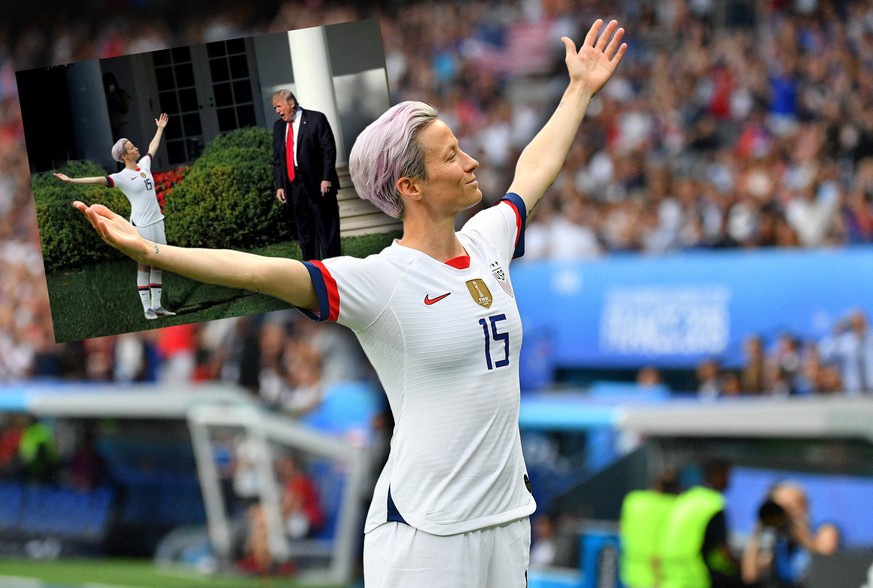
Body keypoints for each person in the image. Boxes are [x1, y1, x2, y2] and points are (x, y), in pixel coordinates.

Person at [71, 19, 626, 587]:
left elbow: (533, 170)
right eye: (451, 156)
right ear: (410, 187)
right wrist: (155, 254)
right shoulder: (381, 280)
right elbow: (261, 271)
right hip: (425, 532)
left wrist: (580, 88)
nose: (472, 163)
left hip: (508, 521)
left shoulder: (489, 240)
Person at [54, 113, 176, 321]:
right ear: (124, 155)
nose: (136, 147)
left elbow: (152, 148)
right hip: (142, 226)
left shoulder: (144, 165)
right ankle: (147, 309)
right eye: (131, 146)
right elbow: (95, 180)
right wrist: (72, 181)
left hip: (158, 221)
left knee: (159, 264)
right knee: (144, 264)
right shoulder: (120, 178)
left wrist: (160, 129)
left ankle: (157, 306)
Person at [271, 90, 341, 261]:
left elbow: (328, 151)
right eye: (275, 108)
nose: (277, 111)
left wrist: (326, 178)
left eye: (279, 106)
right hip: (294, 185)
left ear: (291, 103)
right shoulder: (279, 127)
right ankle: (311, 269)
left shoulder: (316, 119)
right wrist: (280, 185)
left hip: (318, 184)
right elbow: (278, 159)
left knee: (326, 230)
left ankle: (334, 268)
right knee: (305, 232)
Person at [659, 459, 744, 588]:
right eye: (727, 475)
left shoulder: (686, 498)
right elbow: (724, 552)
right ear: (718, 475)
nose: (729, 481)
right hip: (695, 576)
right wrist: (744, 566)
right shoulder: (713, 503)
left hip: (671, 576)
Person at [741, 482, 840, 588]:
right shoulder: (776, 538)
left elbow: (825, 558)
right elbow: (750, 576)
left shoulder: (822, 529)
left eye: (791, 506)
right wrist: (758, 532)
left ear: (804, 505)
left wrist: (796, 527)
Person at [619, 470, 681, 588]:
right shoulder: (673, 505)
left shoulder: (632, 500)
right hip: (660, 574)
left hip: (631, 571)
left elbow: (622, 528)